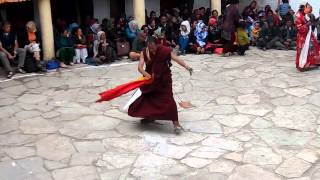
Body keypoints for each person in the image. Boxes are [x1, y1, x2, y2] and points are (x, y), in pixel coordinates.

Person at [128, 36, 193, 134]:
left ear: (157, 45)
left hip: (164, 80)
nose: (152, 50)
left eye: (153, 47)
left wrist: (187, 67)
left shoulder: (164, 50)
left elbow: (176, 58)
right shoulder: (144, 52)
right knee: (148, 99)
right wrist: (146, 75)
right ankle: (150, 117)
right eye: (150, 48)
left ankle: (176, 123)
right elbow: (140, 67)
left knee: (168, 99)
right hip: (150, 80)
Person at [295, 3, 320, 71]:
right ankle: (301, 65)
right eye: (307, 8)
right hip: (302, 36)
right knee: (302, 50)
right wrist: (308, 24)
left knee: (313, 48)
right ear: (303, 8)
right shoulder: (298, 16)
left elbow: (311, 23)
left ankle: (311, 63)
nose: (308, 10)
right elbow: (299, 28)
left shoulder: (305, 15)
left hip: (308, 35)